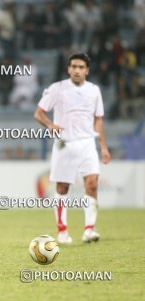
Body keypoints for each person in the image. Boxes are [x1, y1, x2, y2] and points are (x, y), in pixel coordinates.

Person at [34, 53, 111, 244]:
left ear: (87, 70)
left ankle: (89, 230)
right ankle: (62, 231)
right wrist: (50, 125)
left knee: (92, 184)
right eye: (74, 67)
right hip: (65, 143)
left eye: (81, 67)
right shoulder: (57, 89)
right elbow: (39, 113)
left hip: (87, 143)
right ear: (69, 69)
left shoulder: (94, 90)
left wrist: (103, 146)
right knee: (62, 187)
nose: (77, 70)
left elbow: (98, 119)